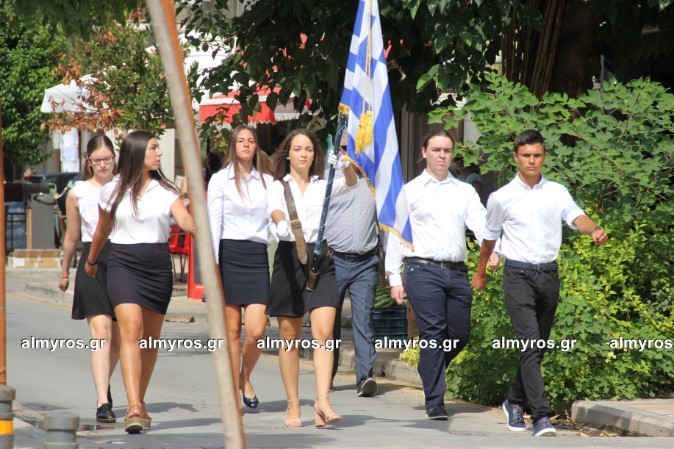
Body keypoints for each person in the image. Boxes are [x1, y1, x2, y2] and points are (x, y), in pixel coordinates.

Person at [472, 129, 608, 437]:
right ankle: (541, 416)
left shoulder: (556, 192)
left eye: (537, 155)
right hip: (517, 275)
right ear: (516, 157)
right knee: (531, 343)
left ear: (544, 156)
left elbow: (575, 216)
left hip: (548, 275)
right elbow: (489, 238)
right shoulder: (501, 197)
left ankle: (513, 400)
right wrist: (480, 272)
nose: (532, 161)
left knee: (537, 347)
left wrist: (594, 229)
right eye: (526, 156)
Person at [85, 130, 196, 434]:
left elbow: (184, 219)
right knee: (131, 330)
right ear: (137, 153)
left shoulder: (167, 190)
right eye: (154, 148)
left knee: (149, 341)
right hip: (123, 264)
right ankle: (133, 407)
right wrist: (91, 260)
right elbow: (103, 229)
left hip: (157, 267)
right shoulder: (112, 190)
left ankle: (140, 400)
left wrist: (195, 226)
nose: (160, 153)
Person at [385, 129, 495, 420]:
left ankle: (428, 367)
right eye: (436, 150)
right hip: (421, 270)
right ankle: (435, 401)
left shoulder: (464, 191)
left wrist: (493, 250)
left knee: (459, 334)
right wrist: (394, 277)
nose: (441, 156)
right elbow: (396, 234)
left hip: (456, 272)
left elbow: (481, 224)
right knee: (433, 333)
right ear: (424, 153)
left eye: (446, 151)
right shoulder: (410, 191)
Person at [266, 129, 356, 428]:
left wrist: (345, 163)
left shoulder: (324, 184)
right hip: (289, 257)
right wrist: (282, 225)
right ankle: (293, 403)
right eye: (298, 149)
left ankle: (322, 400)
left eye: (308, 149)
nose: (303, 154)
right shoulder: (278, 186)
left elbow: (352, 183)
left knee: (325, 333)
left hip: (321, 259)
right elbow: (276, 211)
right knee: (289, 336)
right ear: (287, 154)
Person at [207, 126, 272, 413]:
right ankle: (234, 394)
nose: (246, 144)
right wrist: (213, 265)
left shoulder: (268, 181)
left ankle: (244, 376)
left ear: (256, 146)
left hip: (257, 254)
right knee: (232, 330)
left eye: (251, 140)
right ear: (233, 146)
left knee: (257, 330)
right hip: (228, 254)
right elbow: (214, 222)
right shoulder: (220, 179)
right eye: (241, 140)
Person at [58, 135, 120, 423]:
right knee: (101, 333)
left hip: (122, 261)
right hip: (92, 263)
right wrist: (64, 272)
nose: (103, 164)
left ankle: (103, 381)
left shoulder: (126, 187)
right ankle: (102, 401)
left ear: (115, 159)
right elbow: (71, 237)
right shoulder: (78, 192)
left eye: (108, 158)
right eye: (98, 160)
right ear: (88, 162)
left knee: (119, 340)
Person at [325, 163, 379, 398]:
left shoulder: (376, 180)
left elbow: (387, 221)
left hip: (366, 263)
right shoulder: (330, 179)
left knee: (363, 320)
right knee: (328, 322)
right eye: (346, 147)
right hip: (333, 260)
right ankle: (326, 375)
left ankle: (365, 377)